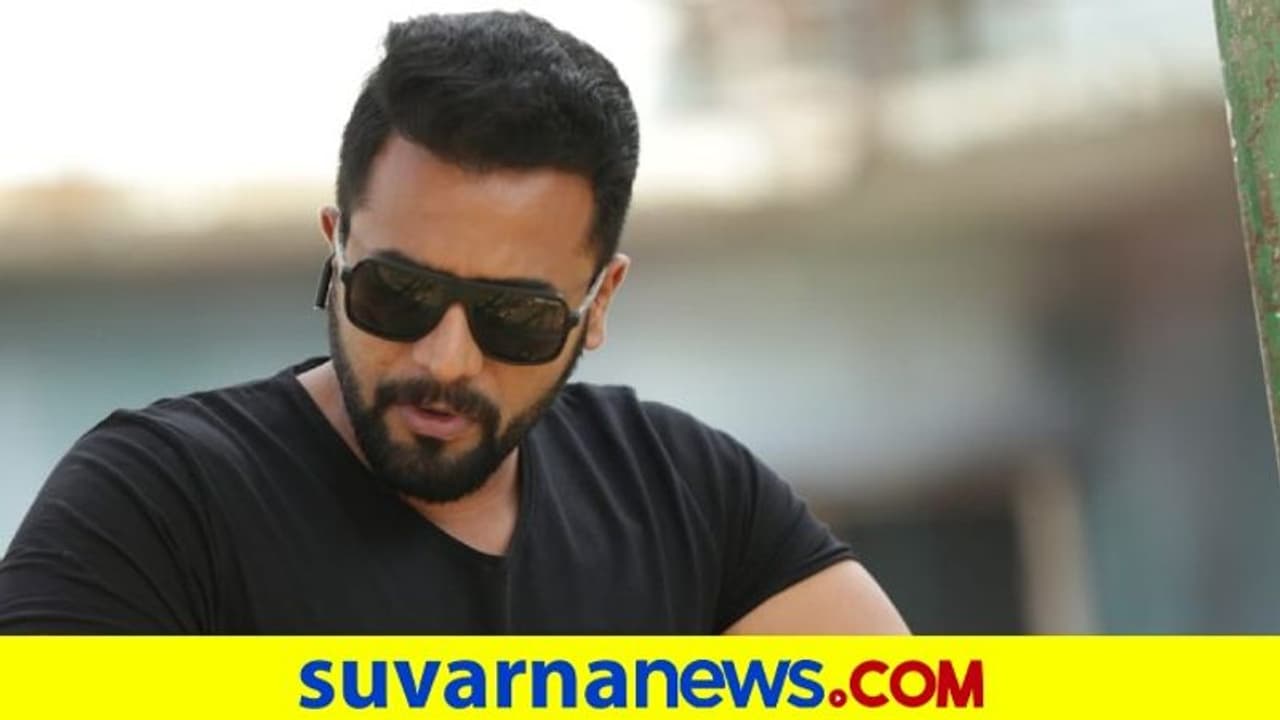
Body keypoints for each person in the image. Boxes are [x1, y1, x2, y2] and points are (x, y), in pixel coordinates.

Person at [0, 11, 906, 634]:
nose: (445, 359)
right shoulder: (158, 506)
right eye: (399, 294)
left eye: (515, 317)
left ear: (599, 303)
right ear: (336, 248)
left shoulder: (683, 492)